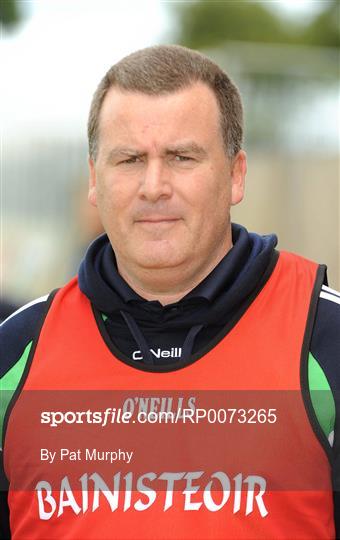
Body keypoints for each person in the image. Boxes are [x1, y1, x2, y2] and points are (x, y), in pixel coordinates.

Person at [1, 44, 339, 539]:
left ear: (235, 175)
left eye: (182, 157)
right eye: (130, 159)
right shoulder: (15, 351)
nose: (153, 186)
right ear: (95, 179)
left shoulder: (326, 341)